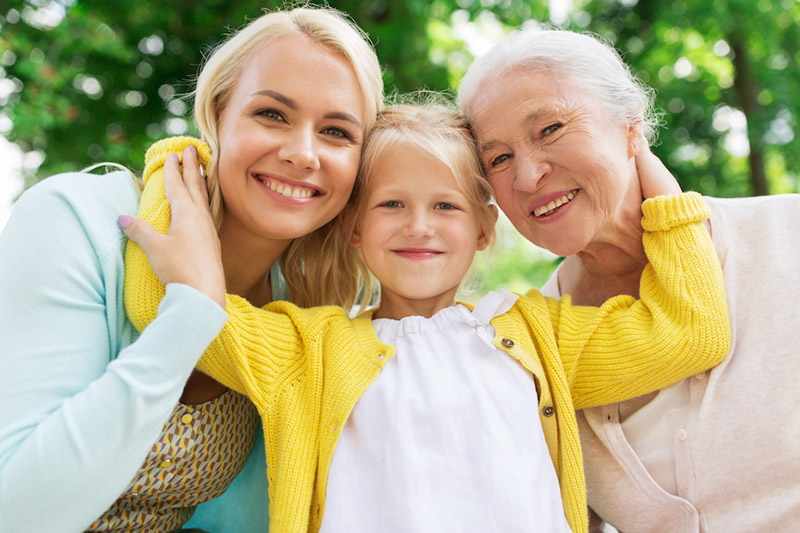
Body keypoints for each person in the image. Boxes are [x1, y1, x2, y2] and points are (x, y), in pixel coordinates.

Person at [122, 100, 730, 532]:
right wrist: (178, 163)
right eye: (392, 204)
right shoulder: (306, 352)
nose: (419, 225)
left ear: (484, 230)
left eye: (445, 205)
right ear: (355, 227)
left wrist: (661, 191)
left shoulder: (539, 333)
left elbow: (691, 333)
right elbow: (163, 307)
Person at [0, 6, 383, 532]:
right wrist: (193, 310)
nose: (302, 152)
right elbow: (19, 513)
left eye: (337, 131)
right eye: (272, 114)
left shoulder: (300, 318)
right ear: (218, 114)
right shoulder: (78, 221)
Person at [459, 26, 800, 532]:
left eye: (550, 128)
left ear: (630, 128)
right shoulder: (533, 343)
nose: (527, 176)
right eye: (499, 158)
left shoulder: (787, 237)